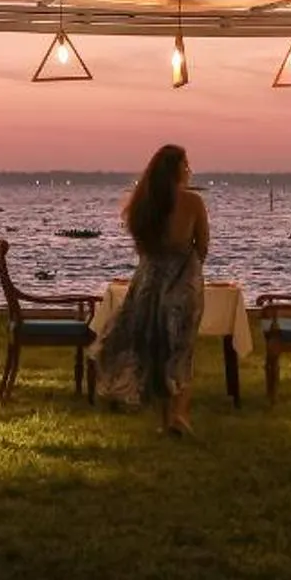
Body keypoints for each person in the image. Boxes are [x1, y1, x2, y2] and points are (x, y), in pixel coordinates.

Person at [93, 143, 209, 434]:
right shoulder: (193, 202)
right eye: (185, 164)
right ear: (176, 169)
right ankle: (179, 415)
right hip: (183, 281)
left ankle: (164, 420)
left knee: (155, 347)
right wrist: (188, 267)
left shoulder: (144, 203)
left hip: (148, 282)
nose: (189, 169)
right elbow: (203, 245)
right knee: (180, 348)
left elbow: (142, 247)